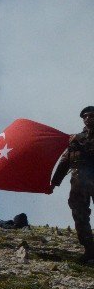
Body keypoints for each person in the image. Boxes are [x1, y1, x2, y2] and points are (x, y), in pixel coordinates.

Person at [51, 106, 94, 263]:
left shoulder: (79, 139)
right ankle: (89, 250)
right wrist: (54, 183)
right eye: (85, 117)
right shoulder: (75, 139)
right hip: (78, 182)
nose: (88, 119)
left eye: (91, 116)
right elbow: (65, 162)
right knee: (80, 215)